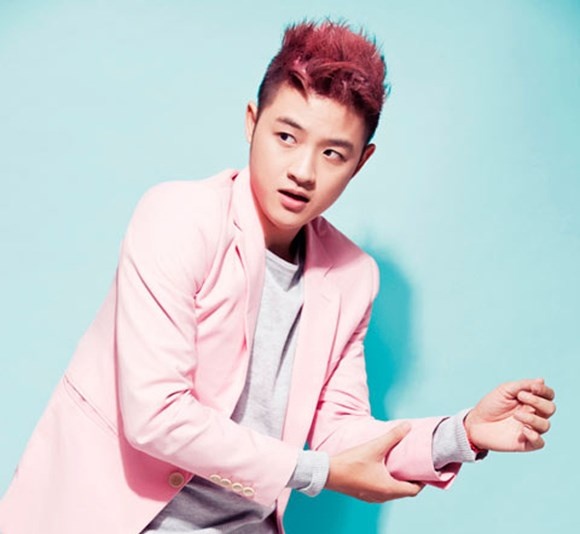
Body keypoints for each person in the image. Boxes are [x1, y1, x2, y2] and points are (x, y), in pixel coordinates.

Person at [0, 20, 555, 534]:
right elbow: (157, 416)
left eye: (333, 153)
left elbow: (341, 432)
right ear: (252, 122)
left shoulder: (351, 276)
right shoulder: (177, 218)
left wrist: (460, 433)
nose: (302, 171)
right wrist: (315, 471)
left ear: (361, 163)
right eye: (286, 137)